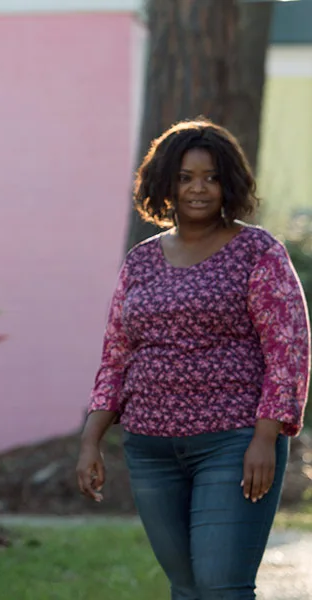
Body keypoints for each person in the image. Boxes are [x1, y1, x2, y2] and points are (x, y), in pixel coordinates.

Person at [76, 118, 310, 599]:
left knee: (221, 587)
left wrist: (266, 437)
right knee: (186, 589)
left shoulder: (257, 252)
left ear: (229, 183)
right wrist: (91, 438)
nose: (198, 189)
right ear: (166, 183)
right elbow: (117, 354)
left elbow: (286, 349)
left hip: (233, 442)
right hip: (150, 448)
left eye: (211, 177)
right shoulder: (141, 260)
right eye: (185, 177)